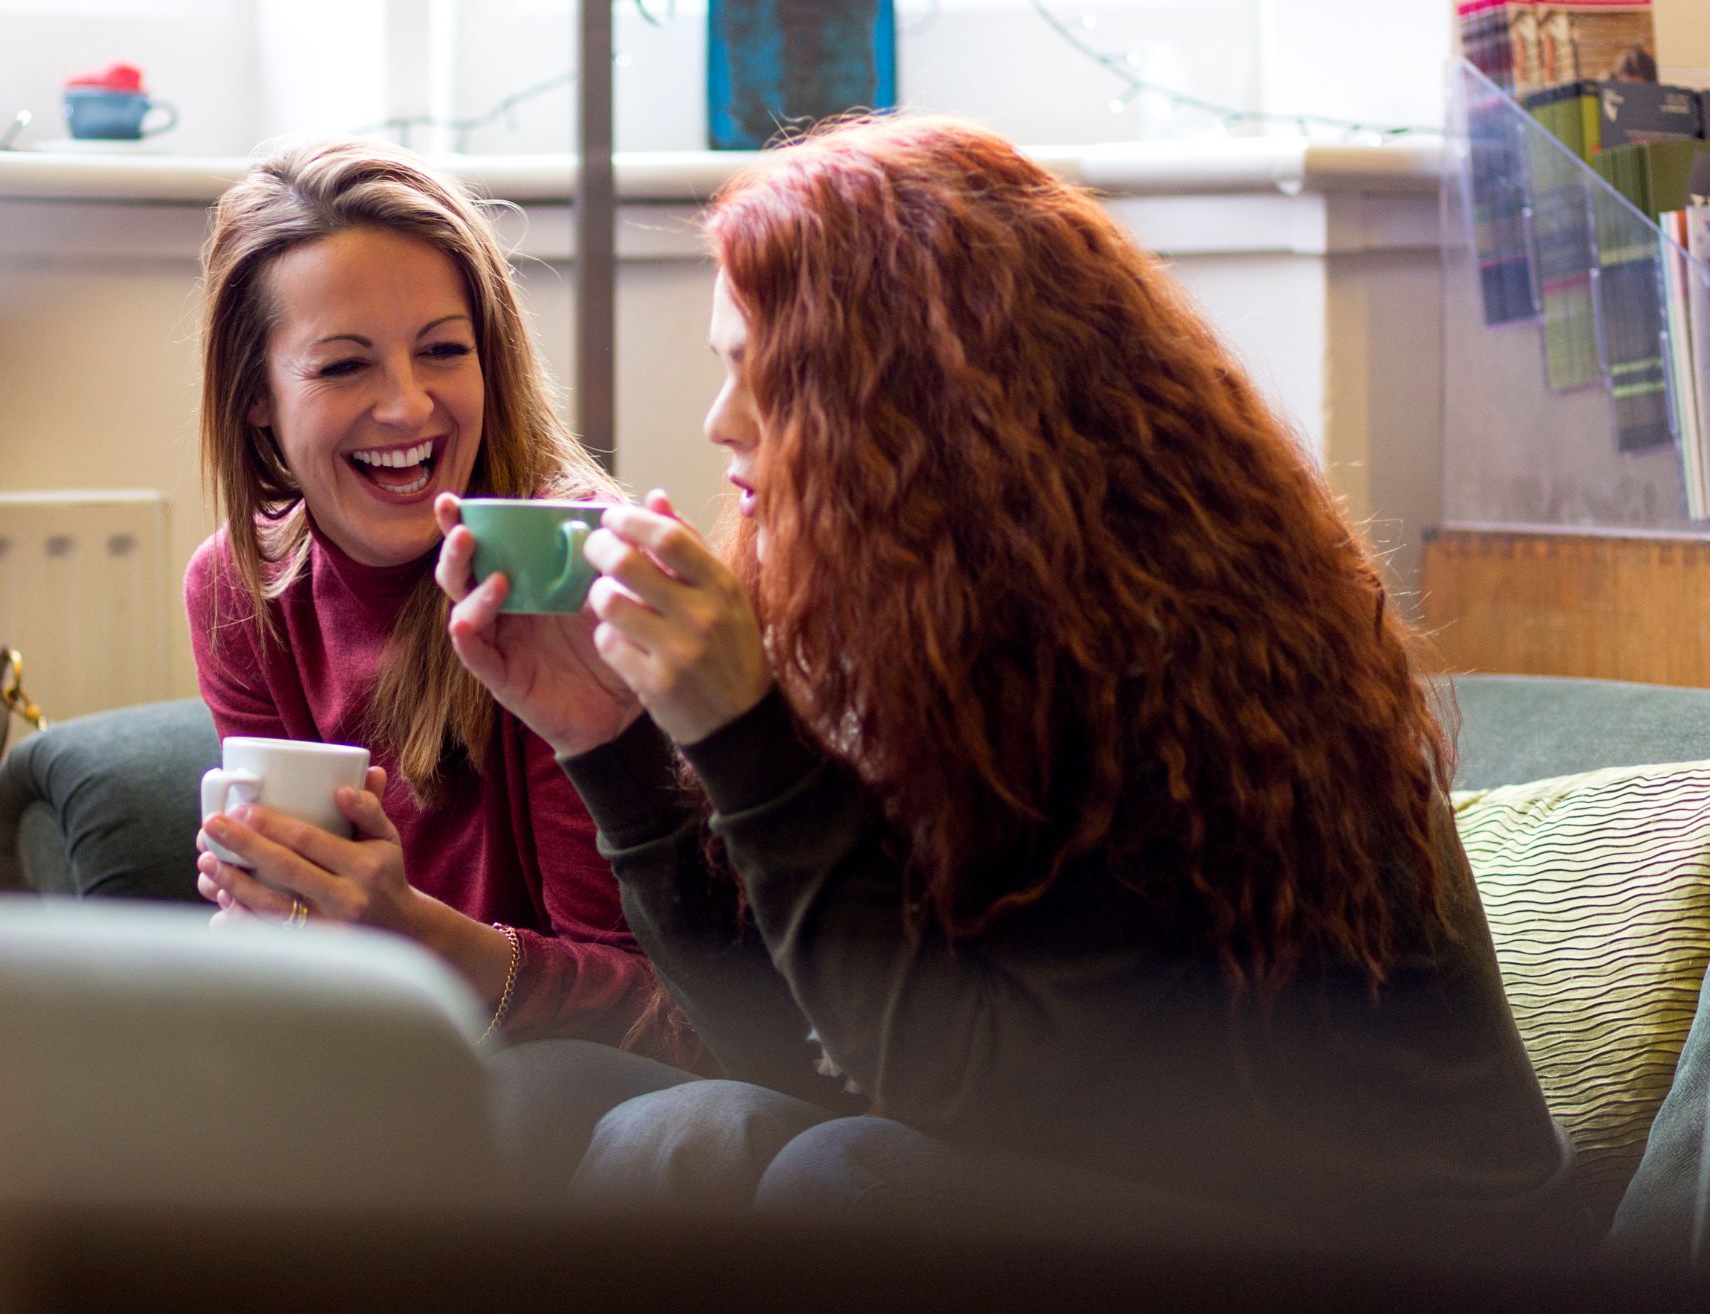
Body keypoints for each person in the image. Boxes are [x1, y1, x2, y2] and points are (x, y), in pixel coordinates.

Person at [433, 114, 1585, 1250]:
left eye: (760, 374)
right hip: (1119, 1175)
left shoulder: (1165, 662)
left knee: (845, 1178)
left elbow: (956, 1088)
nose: (717, 421)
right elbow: (795, 1050)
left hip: (1392, 1243)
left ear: (906, 406)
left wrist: (741, 735)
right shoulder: (912, 638)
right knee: (624, 1111)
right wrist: (608, 740)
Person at [187, 137, 695, 1062]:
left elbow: (665, 1010)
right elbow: (316, 924)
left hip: (569, 1072)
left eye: (443, 351)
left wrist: (410, 932)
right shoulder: (238, 589)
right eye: (345, 366)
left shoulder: (566, 564)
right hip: (377, 1047)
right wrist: (280, 910)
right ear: (255, 395)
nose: (409, 406)